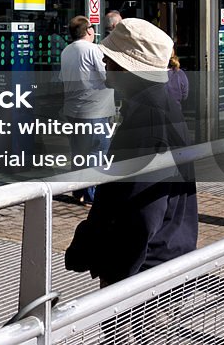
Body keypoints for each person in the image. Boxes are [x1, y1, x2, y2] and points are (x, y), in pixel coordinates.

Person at [65, 18, 198, 288]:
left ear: (128, 68)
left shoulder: (148, 120)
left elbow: (142, 215)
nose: (103, 63)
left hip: (145, 276)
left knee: (132, 332)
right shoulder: (158, 106)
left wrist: (117, 278)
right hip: (160, 260)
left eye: (110, 58)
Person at [59, 16, 115, 204]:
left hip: (72, 111)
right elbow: (107, 75)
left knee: (78, 153)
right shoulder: (93, 50)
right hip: (94, 111)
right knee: (96, 152)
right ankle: (92, 195)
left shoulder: (66, 51)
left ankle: (78, 191)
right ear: (89, 31)